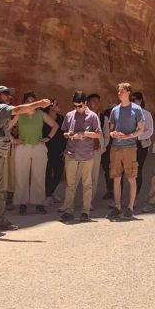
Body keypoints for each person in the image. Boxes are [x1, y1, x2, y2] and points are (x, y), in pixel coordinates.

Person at [0, 87, 51, 235]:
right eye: (7, 95)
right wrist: (38, 104)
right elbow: (18, 109)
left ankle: (1, 220)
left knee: (0, 190)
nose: (9, 98)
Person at [12, 91, 58, 215]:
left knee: (39, 175)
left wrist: (47, 138)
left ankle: (38, 203)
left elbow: (55, 125)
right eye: (28, 101)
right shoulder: (19, 114)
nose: (31, 103)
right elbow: (7, 127)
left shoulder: (41, 114)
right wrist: (13, 140)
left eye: (33, 101)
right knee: (21, 175)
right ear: (24, 103)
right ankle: (22, 203)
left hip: (38, 146)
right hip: (23, 147)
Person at [60, 92, 102, 222]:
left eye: (79, 105)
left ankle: (85, 211)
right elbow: (64, 133)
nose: (77, 108)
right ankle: (68, 210)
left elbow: (98, 134)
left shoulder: (93, 116)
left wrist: (84, 133)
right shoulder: (69, 115)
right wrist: (70, 134)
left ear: (85, 103)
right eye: (74, 105)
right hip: (71, 153)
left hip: (86, 154)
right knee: (70, 184)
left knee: (87, 184)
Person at [108, 82, 145, 219]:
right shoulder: (114, 110)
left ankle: (129, 207)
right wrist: (113, 134)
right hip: (116, 147)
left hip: (130, 147)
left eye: (122, 91)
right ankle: (117, 206)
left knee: (131, 177)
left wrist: (127, 136)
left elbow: (141, 129)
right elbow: (111, 129)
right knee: (116, 177)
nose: (119, 93)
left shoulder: (136, 109)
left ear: (128, 93)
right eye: (118, 91)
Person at [86, 93, 109, 206]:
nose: (96, 103)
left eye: (98, 101)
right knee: (82, 176)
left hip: (96, 150)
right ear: (88, 103)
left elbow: (107, 135)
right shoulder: (82, 116)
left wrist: (103, 147)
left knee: (94, 176)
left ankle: (89, 201)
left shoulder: (103, 118)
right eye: (93, 101)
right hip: (83, 150)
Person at [130, 91, 154, 196]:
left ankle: (135, 197)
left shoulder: (146, 114)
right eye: (130, 100)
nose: (131, 102)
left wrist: (137, 136)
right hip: (127, 145)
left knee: (137, 171)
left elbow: (150, 131)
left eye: (133, 100)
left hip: (140, 145)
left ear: (140, 101)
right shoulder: (125, 112)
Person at [44, 99, 66, 206]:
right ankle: (48, 195)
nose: (59, 105)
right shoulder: (43, 119)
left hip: (59, 151)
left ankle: (50, 193)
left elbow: (65, 135)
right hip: (46, 151)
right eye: (56, 104)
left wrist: (66, 150)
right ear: (50, 107)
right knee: (47, 173)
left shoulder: (62, 118)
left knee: (58, 173)